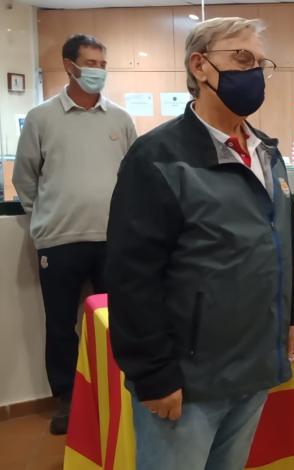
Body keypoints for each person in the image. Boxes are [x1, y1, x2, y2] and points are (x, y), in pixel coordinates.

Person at [105, 18, 294, 469]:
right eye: (242, 58)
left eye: (260, 64)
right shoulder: (157, 158)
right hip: (189, 377)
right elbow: (132, 275)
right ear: (200, 66)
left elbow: (284, 236)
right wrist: (153, 374)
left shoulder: (266, 152)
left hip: (254, 365)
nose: (254, 73)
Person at [12, 34, 137, 435]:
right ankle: (68, 399)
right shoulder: (41, 117)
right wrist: (42, 220)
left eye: (103, 64)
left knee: (119, 320)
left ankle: (121, 390)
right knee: (61, 325)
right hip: (59, 240)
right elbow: (25, 178)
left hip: (113, 240)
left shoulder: (120, 119)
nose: (98, 71)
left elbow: (134, 176)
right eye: (90, 63)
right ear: (70, 66)